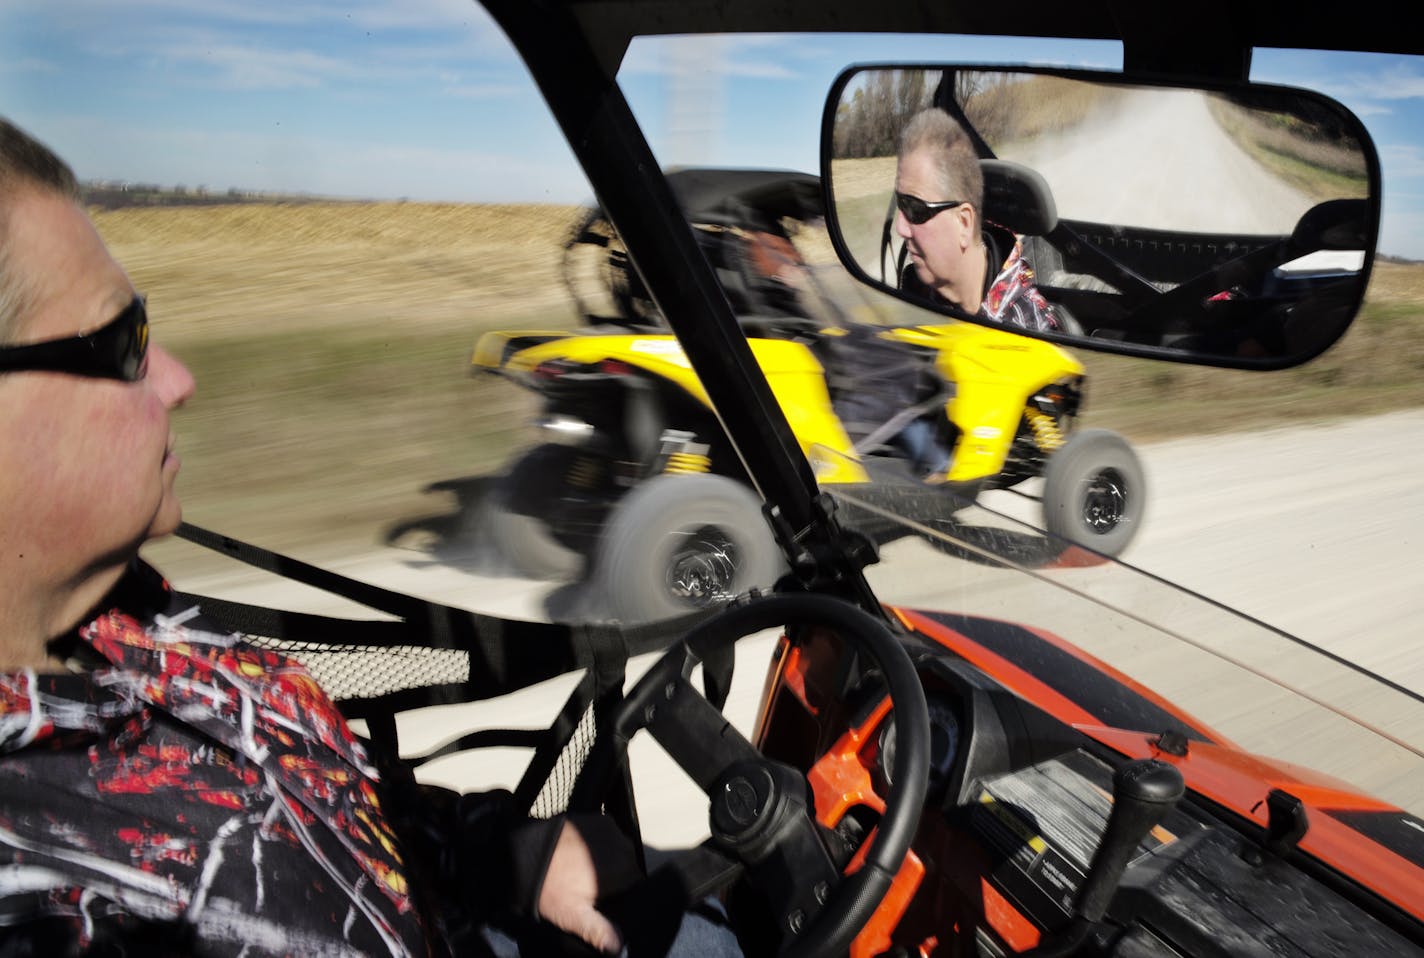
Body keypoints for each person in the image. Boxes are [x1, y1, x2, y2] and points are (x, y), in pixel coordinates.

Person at [0, 117, 739, 957]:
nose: (179, 379)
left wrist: (505, 856)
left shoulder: (125, 620)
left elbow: (326, 799)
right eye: (121, 341)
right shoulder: (44, 909)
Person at [892, 107, 1060, 333]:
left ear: (963, 223)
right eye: (900, 204)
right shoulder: (914, 295)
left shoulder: (1030, 330)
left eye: (915, 209)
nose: (900, 227)